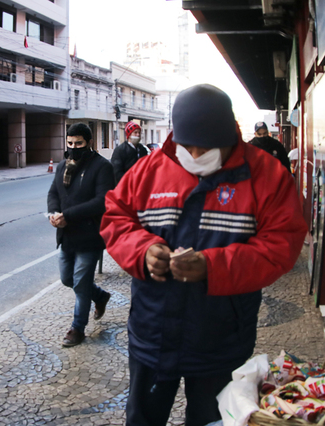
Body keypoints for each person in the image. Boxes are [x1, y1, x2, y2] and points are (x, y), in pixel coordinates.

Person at [100, 85, 307, 426]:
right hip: (152, 331)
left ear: (231, 135)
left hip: (221, 337)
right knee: (141, 418)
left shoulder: (268, 176)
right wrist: (143, 250)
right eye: (186, 146)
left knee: (211, 421)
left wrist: (212, 267)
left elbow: (280, 246)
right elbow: (116, 217)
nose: (195, 155)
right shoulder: (148, 170)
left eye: (207, 147)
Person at [47, 122, 114, 347]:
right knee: (68, 279)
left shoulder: (102, 166)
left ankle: (77, 328)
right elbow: (54, 192)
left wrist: (68, 214)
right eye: (70, 143)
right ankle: (101, 296)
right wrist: (54, 213)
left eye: (79, 143)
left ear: (89, 142)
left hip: (90, 235)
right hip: (67, 236)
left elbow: (102, 201)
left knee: (81, 283)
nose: (73, 147)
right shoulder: (62, 166)